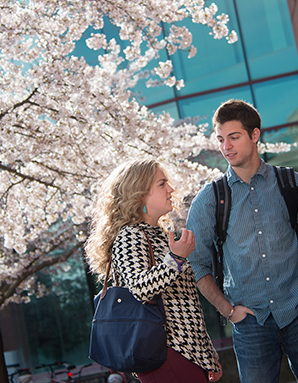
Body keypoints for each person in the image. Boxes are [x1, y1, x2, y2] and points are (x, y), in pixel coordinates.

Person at [186, 99, 298, 383]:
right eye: (220, 139)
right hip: (249, 323)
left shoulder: (291, 183)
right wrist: (228, 311)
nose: (226, 146)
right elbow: (196, 264)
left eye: (234, 137)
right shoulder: (208, 199)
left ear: (255, 135)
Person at [85, 159, 222, 383]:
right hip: (164, 352)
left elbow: (186, 303)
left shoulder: (156, 233)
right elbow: (139, 288)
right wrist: (176, 258)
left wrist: (207, 354)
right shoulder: (130, 235)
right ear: (140, 194)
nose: (171, 189)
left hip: (185, 353)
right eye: (162, 184)